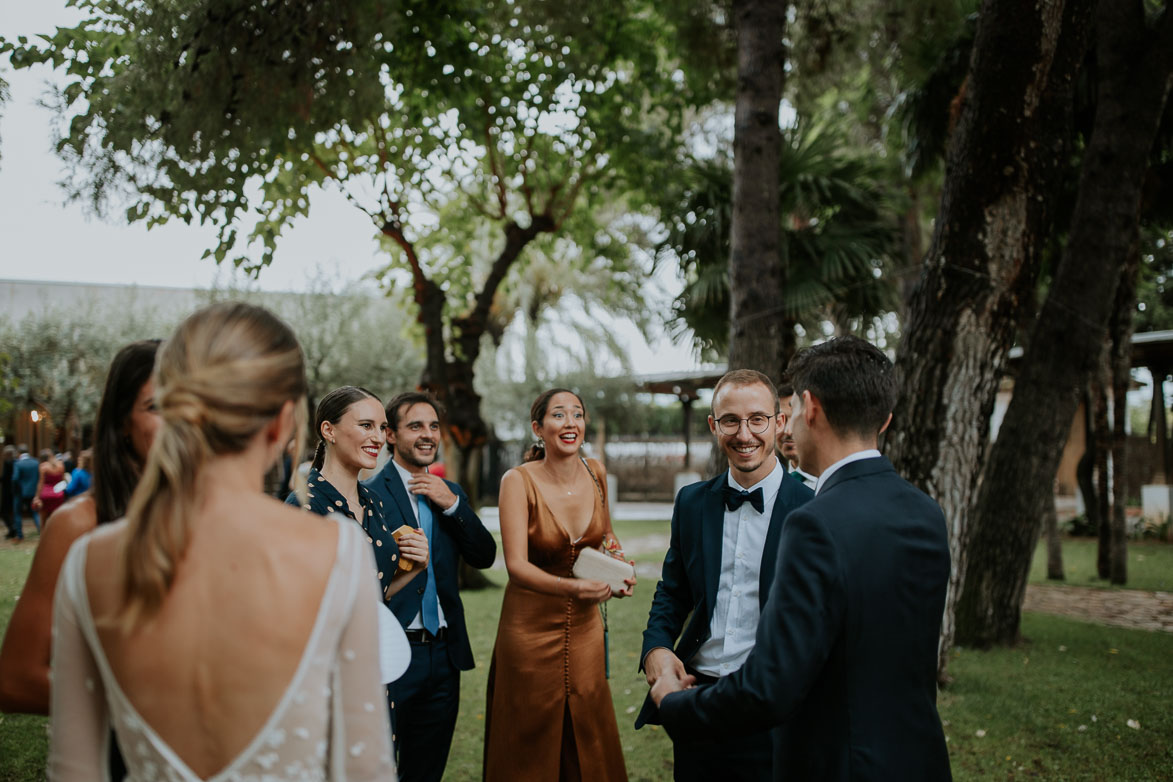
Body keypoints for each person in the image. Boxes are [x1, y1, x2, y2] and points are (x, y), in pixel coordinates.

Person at [46, 302, 394, 780]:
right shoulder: (337, 553)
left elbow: (73, 771)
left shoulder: (89, 561)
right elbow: (365, 770)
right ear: (281, 422)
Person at [652, 336, 953, 782]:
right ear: (885, 418)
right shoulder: (926, 511)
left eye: (784, 414)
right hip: (915, 759)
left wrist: (674, 703)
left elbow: (770, 688)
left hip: (835, 763)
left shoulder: (814, 520)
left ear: (807, 408)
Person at [637, 369, 814, 781]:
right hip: (699, 696)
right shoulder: (693, 502)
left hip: (774, 704)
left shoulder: (812, 509)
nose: (745, 433)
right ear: (714, 426)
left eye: (757, 419)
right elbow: (672, 591)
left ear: (779, 422)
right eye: (731, 420)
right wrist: (656, 648)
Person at [0, 340, 160, 718]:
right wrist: (144, 713)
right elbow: (15, 679)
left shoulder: (212, 519)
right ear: (123, 421)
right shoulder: (79, 524)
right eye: (156, 407)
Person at [483, 388, 634, 782]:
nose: (571, 423)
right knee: (528, 732)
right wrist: (573, 589)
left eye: (577, 414)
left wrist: (618, 567)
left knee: (588, 725)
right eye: (559, 415)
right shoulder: (517, 481)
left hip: (585, 629)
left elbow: (608, 538)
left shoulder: (596, 472)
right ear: (538, 428)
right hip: (528, 628)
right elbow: (515, 566)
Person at [362, 391, 496, 782]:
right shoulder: (368, 492)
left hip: (444, 654)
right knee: (380, 768)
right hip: (391, 653)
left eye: (434, 426)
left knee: (427, 770)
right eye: (416, 426)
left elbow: (484, 555)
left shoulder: (449, 492)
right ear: (390, 435)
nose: (428, 435)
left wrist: (453, 504)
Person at [286, 386, 431, 604]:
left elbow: (374, 594)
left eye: (382, 428)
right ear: (329, 430)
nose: (378, 438)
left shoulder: (372, 501)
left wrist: (417, 566)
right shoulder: (303, 505)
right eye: (366, 426)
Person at [776, 383, 816, 489]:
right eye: (780, 421)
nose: (788, 431)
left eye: (796, 419)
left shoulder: (836, 484)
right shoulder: (772, 487)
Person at [11, 446, 41, 539]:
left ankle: (19, 535)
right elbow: (39, 477)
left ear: (19, 453)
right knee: (35, 513)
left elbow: (15, 478)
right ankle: (41, 532)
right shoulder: (36, 462)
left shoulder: (18, 464)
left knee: (18, 513)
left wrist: (16, 489)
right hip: (33, 492)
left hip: (20, 493)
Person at [36, 449, 68, 520]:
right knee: (57, 518)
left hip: (46, 495)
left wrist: (37, 497)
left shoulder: (43, 466)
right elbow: (63, 481)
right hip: (58, 495)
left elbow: (41, 483)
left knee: (43, 520)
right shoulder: (61, 465)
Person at [1, 446, 15, 538]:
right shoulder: (16, 462)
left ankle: (11, 529)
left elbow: (6, 477)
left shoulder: (8, 463)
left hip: (8, 490)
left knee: (3, 511)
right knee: (13, 511)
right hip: (15, 490)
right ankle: (13, 529)